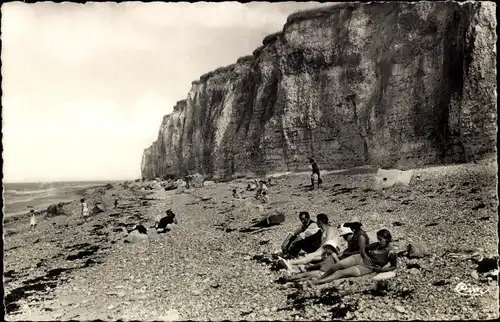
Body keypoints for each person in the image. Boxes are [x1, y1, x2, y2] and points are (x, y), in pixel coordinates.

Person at [307, 229, 398, 286]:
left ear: (387, 240)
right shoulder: (376, 245)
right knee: (338, 264)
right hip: (360, 257)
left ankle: (318, 282)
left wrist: (380, 270)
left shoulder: (391, 252)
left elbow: (394, 266)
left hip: (368, 267)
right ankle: (321, 277)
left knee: (340, 273)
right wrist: (365, 256)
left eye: (380, 239)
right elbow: (363, 248)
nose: (378, 241)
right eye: (378, 239)